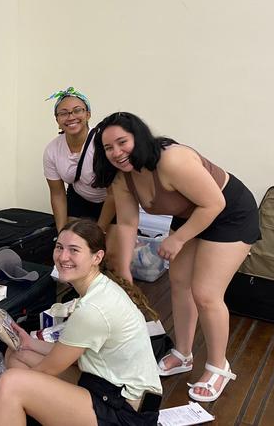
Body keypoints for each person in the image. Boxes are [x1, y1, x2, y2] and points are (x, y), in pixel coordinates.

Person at [91, 112, 260, 402]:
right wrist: (124, 271)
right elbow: (129, 223)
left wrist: (178, 239)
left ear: (139, 137)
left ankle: (219, 366)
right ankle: (183, 353)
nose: (117, 153)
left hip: (229, 213)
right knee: (179, 282)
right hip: (192, 213)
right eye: (109, 148)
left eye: (122, 142)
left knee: (206, 294)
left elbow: (214, 203)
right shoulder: (122, 178)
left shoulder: (172, 160)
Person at [0, 219, 161, 426]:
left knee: (10, 384)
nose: (63, 257)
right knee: (19, 354)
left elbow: (48, 369)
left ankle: (11, 407)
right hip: (105, 385)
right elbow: (65, 353)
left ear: (97, 257)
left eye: (74, 250)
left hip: (125, 412)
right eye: (59, 247)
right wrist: (29, 342)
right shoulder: (97, 289)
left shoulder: (93, 309)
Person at [43, 87, 117, 253]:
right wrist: (62, 235)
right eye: (64, 113)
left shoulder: (102, 144)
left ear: (88, 114)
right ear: (57, 119)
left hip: (112, 202)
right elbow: (58, 194)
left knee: (109, 257)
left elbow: (114, 194)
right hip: (79, 198)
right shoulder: (52, 150)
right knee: (75, 251)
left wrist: (99, 231)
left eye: (77, 111)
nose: (71, 117)